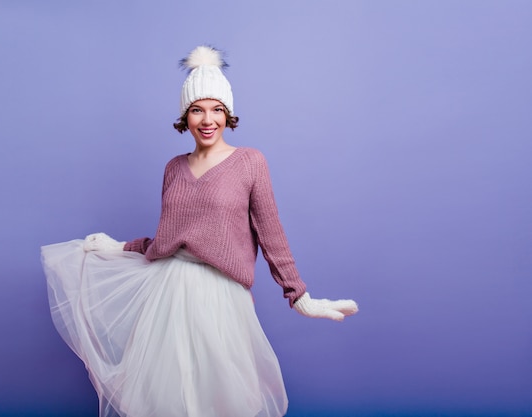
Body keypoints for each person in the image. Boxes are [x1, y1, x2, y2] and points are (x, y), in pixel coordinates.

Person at [41, 45, 358, 417]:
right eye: (197, 110)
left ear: (228, 114)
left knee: (223, 400)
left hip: (221, 298)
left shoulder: (249, 162)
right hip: (169, 293)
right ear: (185, 116)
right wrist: (120, 247)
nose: (207, 120)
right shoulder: (173, 168)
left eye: (216, 109)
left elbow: (271, 234)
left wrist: (299, 295)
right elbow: (168, 239)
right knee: (168, 399)